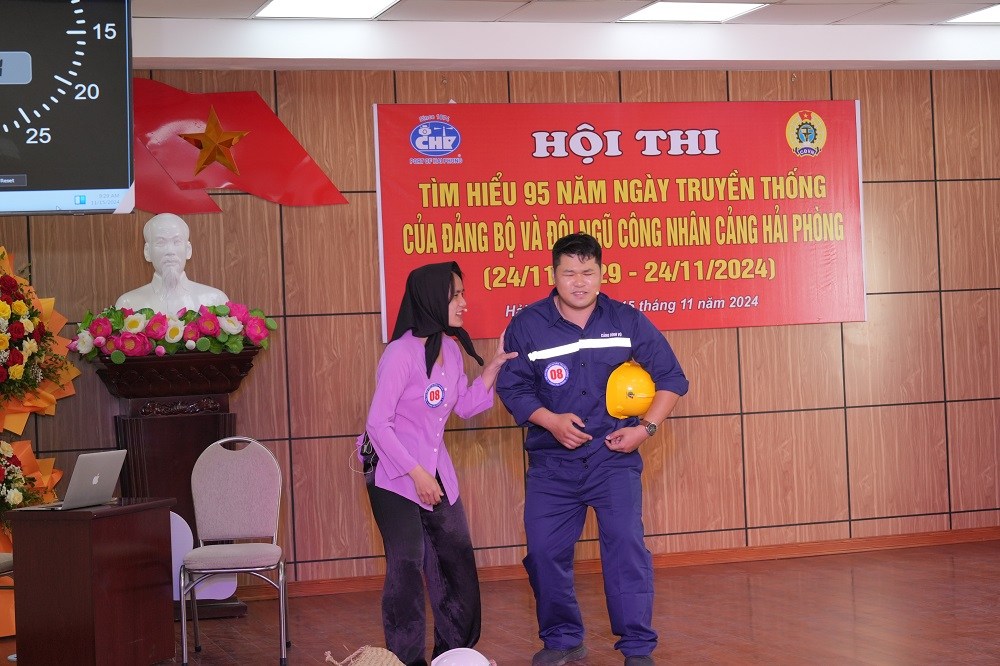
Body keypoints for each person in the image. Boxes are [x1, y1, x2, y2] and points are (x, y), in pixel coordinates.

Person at [496, 233, 689, 666]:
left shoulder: (627, 320)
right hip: (551, 464)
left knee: (625, 549)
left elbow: (672, 378)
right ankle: (563, 639)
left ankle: (637, 647)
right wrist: (551, 421)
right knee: (544, 553)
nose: (579, 282)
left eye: (588, 272)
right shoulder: (527, 326)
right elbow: (513, 387)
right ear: (553, 275)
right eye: (569, 273)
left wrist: (645, 429)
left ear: (602, 274)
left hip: (612, 460)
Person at [358, 261, 517, 666]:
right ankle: (405, 658)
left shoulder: (450, 348)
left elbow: (463, 406)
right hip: (393, 471)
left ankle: (453, 653)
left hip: (434, 467)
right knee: (408, 562)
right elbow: (378, 423)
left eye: (463, 293)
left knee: (456, 558)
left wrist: (493, 368)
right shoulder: (400, 354)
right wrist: (416, 475)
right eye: (455, 295)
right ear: (430, 299)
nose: (464, 302)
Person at [115, 212, 228, 314]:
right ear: (147, 252)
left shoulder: (216, 300)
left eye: (177, 242)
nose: (170, 251)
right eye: (160, 243)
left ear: (188, 250)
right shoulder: (128, 304)